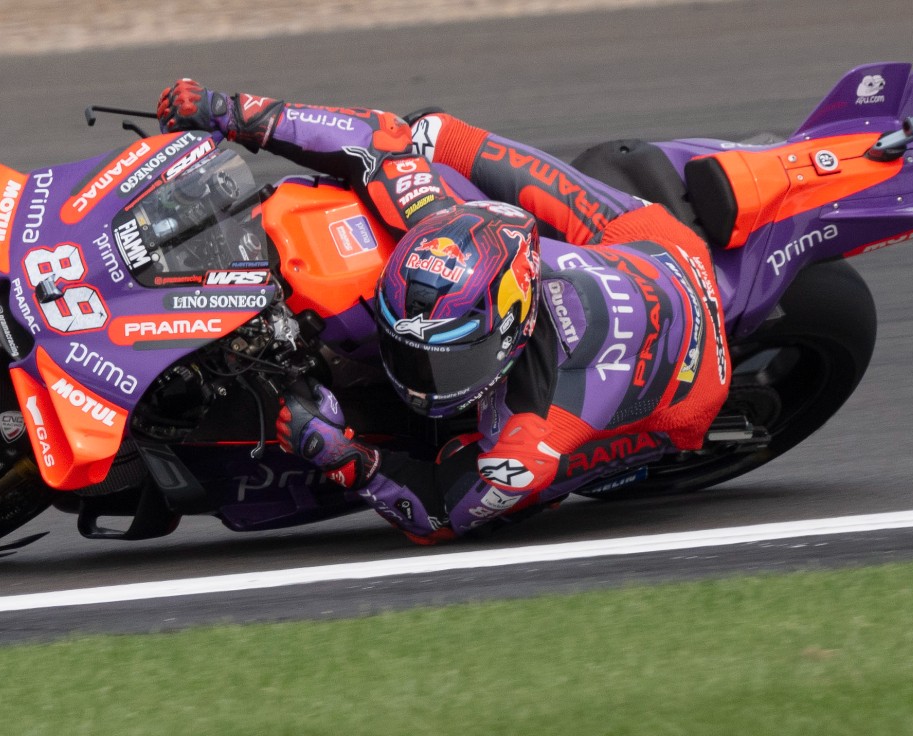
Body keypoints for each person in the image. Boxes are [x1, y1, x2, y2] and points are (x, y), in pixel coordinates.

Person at [157, 80, 730, 543]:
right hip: (633, 249)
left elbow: (439, 516)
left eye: (444, 361)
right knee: (429, 131)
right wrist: (234, 113)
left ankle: (628, 456)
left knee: (507, 492)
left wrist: (346, 458)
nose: (414, 373)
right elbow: (376, 138)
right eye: (403, 345)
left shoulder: (523, 438)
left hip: (687, 362)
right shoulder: (436, 218)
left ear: (507, 336)